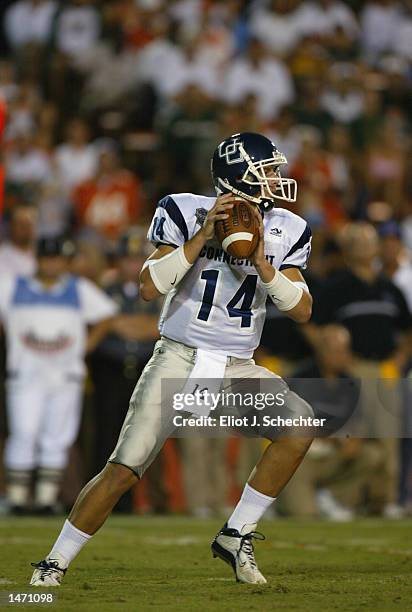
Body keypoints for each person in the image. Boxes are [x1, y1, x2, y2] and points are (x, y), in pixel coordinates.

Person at [30, 132, 314, 586]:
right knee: (124, 467)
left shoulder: (289, 227)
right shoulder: (185, 208)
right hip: (179, 358)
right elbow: (148, 287)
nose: (278, 179)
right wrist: (203, 236)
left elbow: (301, 309)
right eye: (268, 171)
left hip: (238, 366)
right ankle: (54, 561)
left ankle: (236, 532)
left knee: (298, 427)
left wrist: (264, 264)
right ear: (238, 175)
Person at [0, 236, 118, 514]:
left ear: (64, 262)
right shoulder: (13, 286)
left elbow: (107, 316)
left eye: (56, 259)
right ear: (38, 260)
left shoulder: (78, 289)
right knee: (23, 433)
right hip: (25, 373)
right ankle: (17, 498)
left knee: (57, 437)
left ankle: (45, 499)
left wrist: (84, 347)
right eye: (46, 258)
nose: (51, 264)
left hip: (65, 375)